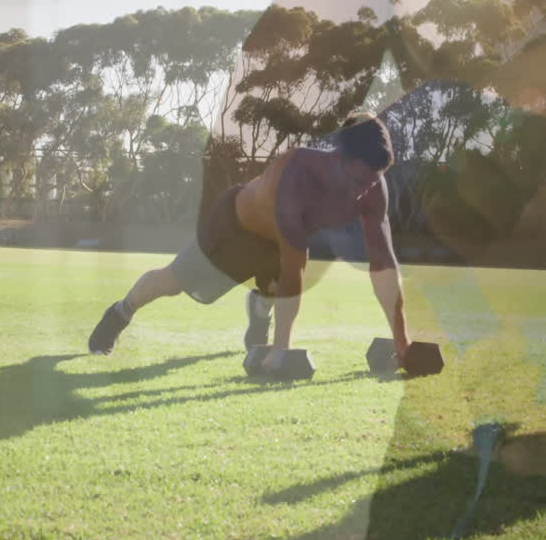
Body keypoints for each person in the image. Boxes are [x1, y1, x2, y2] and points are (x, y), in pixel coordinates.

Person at [87, 114, 412, 376]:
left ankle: (259, 311)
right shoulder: (296, 172)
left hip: (282, 240)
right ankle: (119, 313)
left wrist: (402, 342)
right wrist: (281, 349)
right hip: (235, 226)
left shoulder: (372, 186)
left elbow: (383, 264)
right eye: (356, 181)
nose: (361, 192)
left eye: (370, 182)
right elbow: (294, 262)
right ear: (338, 158)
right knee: (174, 282)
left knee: (275, 284)